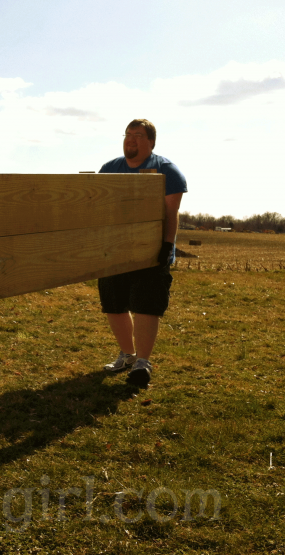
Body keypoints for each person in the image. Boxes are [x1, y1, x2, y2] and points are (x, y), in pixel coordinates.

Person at [97, 119, 187, 388]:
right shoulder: (109, 169)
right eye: (128, 134)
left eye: (138, 135)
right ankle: (127, 354)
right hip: (114, 250)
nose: (131, 139)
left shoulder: (167, 171)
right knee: (113, 304)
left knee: (146, 306)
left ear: (151, 142)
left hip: (151, 251)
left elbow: (171, 213)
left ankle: (142, 362)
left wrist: (167, 245)